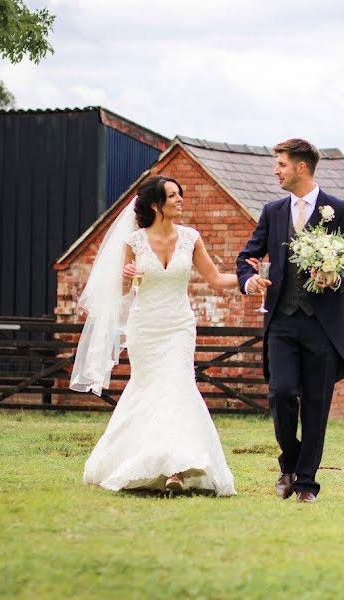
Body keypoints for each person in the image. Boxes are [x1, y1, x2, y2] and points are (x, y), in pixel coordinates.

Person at [73, 175, 242, 496]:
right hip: (145, 328)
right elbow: (123, 291)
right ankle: (138, 459)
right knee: (149, 389)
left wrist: (250, 279)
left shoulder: (191, 238)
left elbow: (217, 279)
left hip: (179, 326)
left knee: (178, 386)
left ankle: (176, 470)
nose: (180, 200)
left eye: (180, 194)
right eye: (173, 196)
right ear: (155, 205)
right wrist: (124, 277)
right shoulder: (134, 242)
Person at [237, 138, 344, 503]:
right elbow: (248, 255)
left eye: (281, 165)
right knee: (280, 393)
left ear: (301, 167)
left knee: (316, 403)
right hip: (282, 321)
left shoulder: (339, 209)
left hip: (322, 325)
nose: (276, 171)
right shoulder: (273, 211)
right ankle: (288, 463)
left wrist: (334, 277)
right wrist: (248, 279)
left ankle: (306, 483)